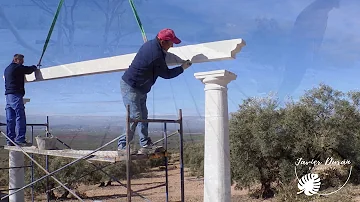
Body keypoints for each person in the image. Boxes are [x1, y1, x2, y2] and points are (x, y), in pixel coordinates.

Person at [118, 28, 192, 154]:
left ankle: (145, 144)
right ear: (162, 41)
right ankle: (123, 146)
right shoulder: (155, 54)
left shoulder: (153, 46)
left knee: (143, 116)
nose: (172, 45)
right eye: (170, 43)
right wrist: (182, 68)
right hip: (131, 86)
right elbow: (167, 74)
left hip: (140, 87)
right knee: (135, 116)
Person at [4, 54, 37, 146]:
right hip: (15, 95)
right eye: (21, 60)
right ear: (16, 60)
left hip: (8, 96)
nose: (23, 62)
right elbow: (28, 70)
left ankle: (10, 140)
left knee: (10, 119)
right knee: (20, 116)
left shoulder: (7, 69)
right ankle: (20, 139)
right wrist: (35, 67)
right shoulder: (16, 68)